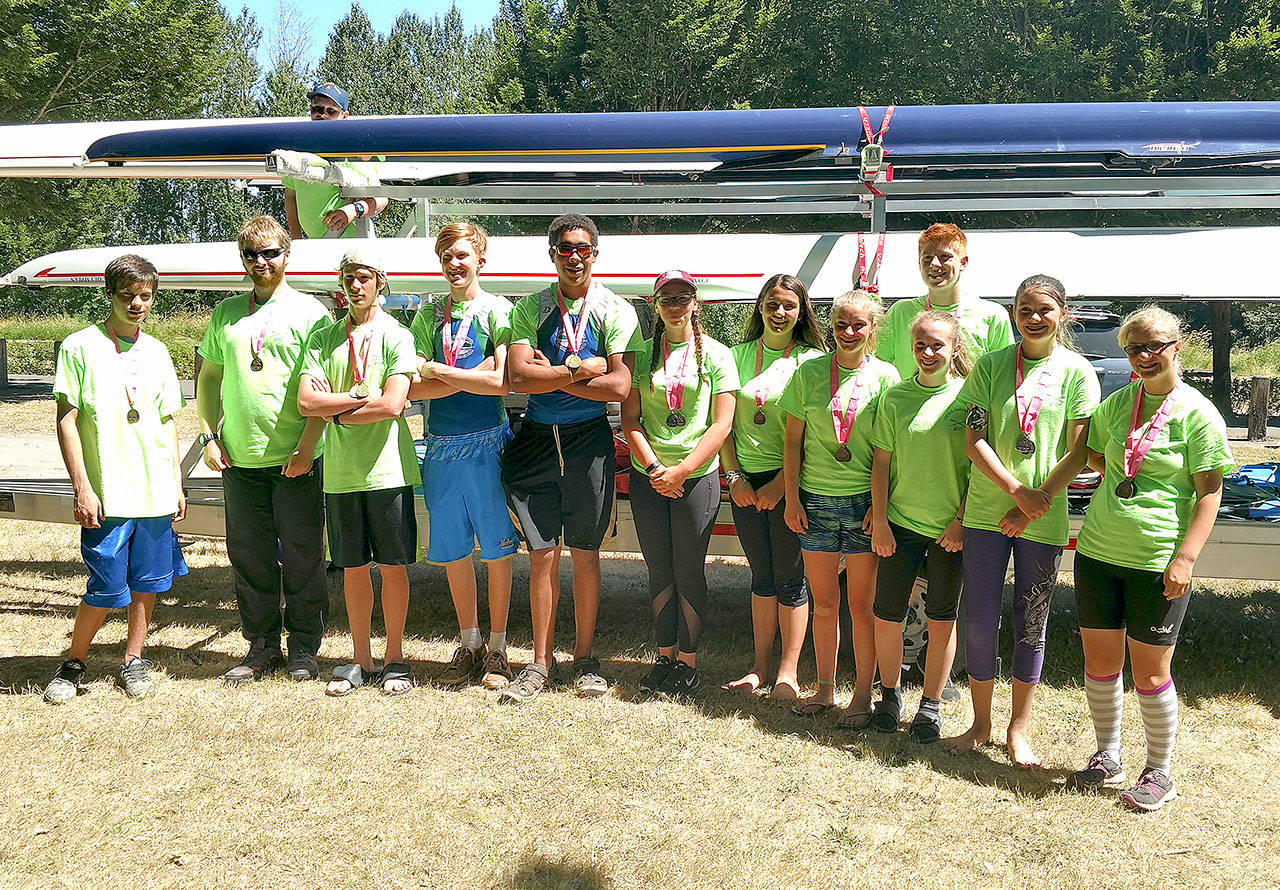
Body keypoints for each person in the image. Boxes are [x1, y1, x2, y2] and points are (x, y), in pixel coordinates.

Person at [1066, 306, 1231, 812]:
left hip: (1157, 560)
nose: (1144, 356)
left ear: (1177, 346)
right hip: (1097, 551)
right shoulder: (1119, 404)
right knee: (1099, 662)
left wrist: (1185, 558)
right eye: (1134, 348)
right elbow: (1094, 453)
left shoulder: (1198, 414)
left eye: (1154, 345)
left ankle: (1159, 772)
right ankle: (1107, 754)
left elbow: (1210, 493)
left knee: (1151, 673)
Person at [944, 274, 1100, 766]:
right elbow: (974, 440)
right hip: (989, 514)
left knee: (1031, 621)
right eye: (1025, 310)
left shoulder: (1077, 371)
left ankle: (1019, 729)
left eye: (1044, 310)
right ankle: (981, 723)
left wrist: (1039, 500)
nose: (1034, 319)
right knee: (980, 620)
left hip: (1043, 518)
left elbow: (1081, 450)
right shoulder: (989, 367)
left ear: (1063, 315)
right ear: (1013, 313)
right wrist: (1016, 492)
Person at [501, 214, 644, 703]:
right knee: (541, 556)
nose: (575, 257)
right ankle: (540, 663)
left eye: (583, 248)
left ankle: (584, 659)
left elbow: (621, 386)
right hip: (538, 438)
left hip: (588, 442)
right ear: (552, 255)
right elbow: (519, 378)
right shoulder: (531, 307)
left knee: (586, 554)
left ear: (596, 254)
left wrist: (557, 373)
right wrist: (583, 368)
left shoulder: (616, 309)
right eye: (565, 249)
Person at [43, 255, 188, 703]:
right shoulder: (79, 346)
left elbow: (167, 421)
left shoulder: (159, 351)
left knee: (149, 581)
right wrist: (82, 486)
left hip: (153, 491)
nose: (137, 304)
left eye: (146, 296)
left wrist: (176, 482)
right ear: (109, 294)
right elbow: (67, 420)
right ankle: (74, 662)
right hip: (107, 492)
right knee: (105, 586)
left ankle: (133, 660)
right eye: (128, 295)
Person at [197, 215, 330, 683]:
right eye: (251, 255)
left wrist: (307, 446)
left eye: (270, 252)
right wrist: (209, 437)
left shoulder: (312, 313)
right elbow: (208, 379)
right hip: (238, 457)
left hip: (294, 456)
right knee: (249, 557)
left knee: (302, 555)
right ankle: (261, 646)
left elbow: (322, 388)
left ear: (287, 255)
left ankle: (305, 649)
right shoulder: (226, 314)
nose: (261, 262)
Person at [298, 246, 420, 696]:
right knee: (352, 567)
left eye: (364, 277)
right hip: (342, 472)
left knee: (392, 567)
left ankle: (394, 658)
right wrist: (351, 406)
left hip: (387, 471)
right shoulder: (323, 339)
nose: (355, 285)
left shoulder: (397, 336)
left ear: (379, 283)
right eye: (348, 277)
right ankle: (360, 659)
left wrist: (339, 410)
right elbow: (307, 402)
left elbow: (392, 405)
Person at [407, 222, 519, 690]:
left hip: (488, 442)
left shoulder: (499, 310)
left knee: (496, 549)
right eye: (446, 256)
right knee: (453, 551)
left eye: (462, 255)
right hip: (442, 448)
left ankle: (497, 648)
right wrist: (462, 373)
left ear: (480, 260)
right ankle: (469, 643)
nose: (455, 264)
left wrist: (439, 370)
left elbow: (500, 381)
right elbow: (412, 385)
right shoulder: (427, 316)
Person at [780, 289, 900, 725]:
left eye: (858, 325)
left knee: (861, 605)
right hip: (814, 502)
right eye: (841, 325)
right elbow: (792, 440)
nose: (849, 333)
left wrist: (881, 510)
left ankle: (863, 695)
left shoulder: (886, 377)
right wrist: (792, 498)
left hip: (864, 505)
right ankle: (826, 689)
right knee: (824, 602)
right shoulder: (810, 373)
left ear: (873, 329)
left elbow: (890, 451)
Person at [622, 271, 739, 697]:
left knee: (688, 571)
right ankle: (664, 656)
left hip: (697, 479)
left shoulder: (719, 355)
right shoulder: (641, 354)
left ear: (696, 303)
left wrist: (683, 470)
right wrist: (656, 469)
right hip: (649, 477)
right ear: (655, 305)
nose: (675, 305)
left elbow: (722, 423)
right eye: (666, 298)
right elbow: (630, 420)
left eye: (682, 297)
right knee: (658, 570)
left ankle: (688, 665)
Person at [719, 275, 826, 700]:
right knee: (761, 577)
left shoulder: (814, 361)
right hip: (744, 483)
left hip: (792, 485)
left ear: (802, 313)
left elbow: (815, 435)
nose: (780, 313)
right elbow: (721, 424)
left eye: (789, 306)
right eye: (773, 304)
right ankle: (760, 666)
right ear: (760, 306)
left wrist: (783, 486)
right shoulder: (735, 355)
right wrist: (735, 479)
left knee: (790, 577)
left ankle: (788, 671)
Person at [868, 310, 971, 741]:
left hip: (951, 531)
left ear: (954, 349)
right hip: (901, 525)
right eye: (921, 345)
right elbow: (880, 463)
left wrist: (961, 521)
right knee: (888, 614)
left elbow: (980, 468)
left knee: (942, 617)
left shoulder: (969, 400)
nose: (928, 353)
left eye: (937, 346)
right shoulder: (894, 399)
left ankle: (930, 706)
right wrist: (881, 523)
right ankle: (888, 695)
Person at [876, 223, 1013, 380]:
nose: (934, 264)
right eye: (927, 257)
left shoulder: (992, 315)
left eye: (944, 257)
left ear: (963, 262)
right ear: (919, 263)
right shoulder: (900, 312)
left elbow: (1003, 375)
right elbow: (876, 369)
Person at [282, 81, 389, 240]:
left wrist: (353, 211)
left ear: (344, 116)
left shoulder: (354, 152)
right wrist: (297, 240)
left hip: (353, 244)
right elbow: (291, 197)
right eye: (317, 109)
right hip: (316, 246)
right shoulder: (299, 151)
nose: (322, 115)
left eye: (330, 111)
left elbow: (382, 198)